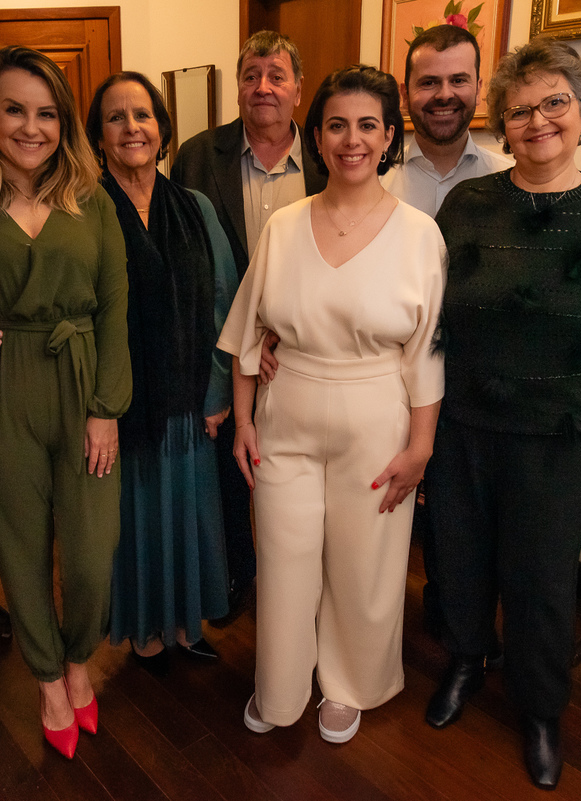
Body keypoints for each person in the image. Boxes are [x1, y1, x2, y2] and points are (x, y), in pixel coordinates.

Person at [425, 39, 581, 788]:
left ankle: (538, 707)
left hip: (559, 439)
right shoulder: (467, 205)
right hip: (462, 427)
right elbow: (423, 313)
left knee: (540, 583)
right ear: (502, 124)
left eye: (554, 102)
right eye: (519, 109)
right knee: (458, 562)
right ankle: (467, 660)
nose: (537, 121)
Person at [218, 65, 446, 744]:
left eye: (368, 125)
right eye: (337, 125)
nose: (352, 140)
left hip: (378, 419)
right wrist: (242, 420)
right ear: (315, 137)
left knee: (364, 561)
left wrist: (422, 446)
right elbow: (248, 332)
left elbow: (428, 352)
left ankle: (350, 683)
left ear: (389, 136)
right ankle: (281, 684)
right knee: (283, 558)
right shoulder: (284, 226)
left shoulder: (419, 235)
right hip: (285, 415)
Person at [0, 45, 131, 761]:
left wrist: (106, 406)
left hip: (81, 384)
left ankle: (79, 657)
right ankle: (48, 678)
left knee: (92, 555)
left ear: (64, 122)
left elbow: (115, 307)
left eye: (46, 113)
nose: (31, 128)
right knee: (18, 548)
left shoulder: (94, 201)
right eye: (15, 110)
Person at [83, 72, 237, 669]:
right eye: (116, 117)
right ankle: (144, 630)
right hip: (121, 410)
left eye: (142, 115)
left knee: (188, 520)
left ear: (162, 128)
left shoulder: (196, 208)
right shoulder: (83, 212)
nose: (131, 128)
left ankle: (183, 627)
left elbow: (224, 303)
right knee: (135, 524)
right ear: (98, 136)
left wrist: (218, 391)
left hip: (189, 403)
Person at [171, 31, 326, 612]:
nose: (263, 87)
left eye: (276, 75)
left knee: (297, 476)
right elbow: (187, 263)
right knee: (229, 470)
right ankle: (237, 574)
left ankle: (305, 585)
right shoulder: (194, 156)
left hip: (305, 353)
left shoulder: (328, 156)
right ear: (237, 88)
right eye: (251, 75)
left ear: (298, 89)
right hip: (220, 347)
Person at [381, 23, 512, 216]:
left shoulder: (510, 182)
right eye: (428, 83)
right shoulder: (375, 181)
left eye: (458, 81)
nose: (444, 95)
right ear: (405, 95)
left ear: (478, 90)